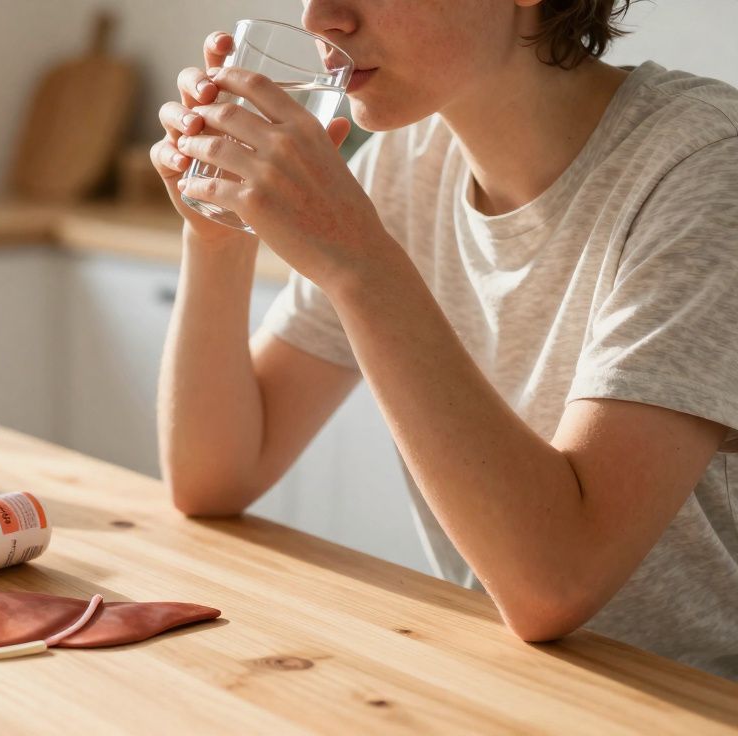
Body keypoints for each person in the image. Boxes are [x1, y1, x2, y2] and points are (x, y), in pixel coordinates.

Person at [151, 0, 738, 679]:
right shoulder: (404, 166)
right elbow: (215, 476)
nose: (319, 17)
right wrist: (218, 234)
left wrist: (359, 262)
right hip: (519, 680)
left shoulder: (706, 170)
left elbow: (555, 585)